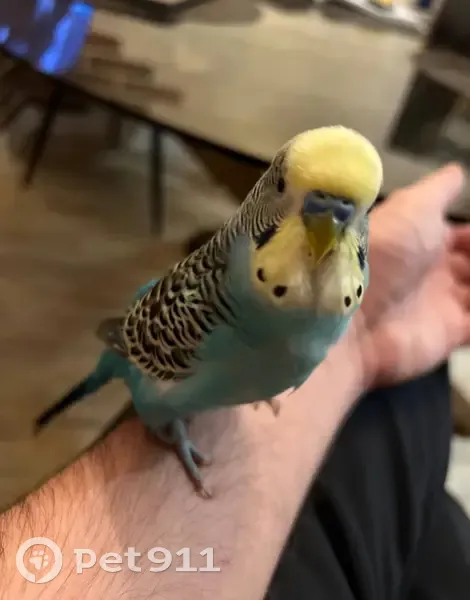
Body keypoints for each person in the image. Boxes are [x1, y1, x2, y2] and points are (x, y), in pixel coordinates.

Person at [0, 164, 470, 599]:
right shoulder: (214, 308)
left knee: (436, 514)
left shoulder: (344, 290)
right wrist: (174, 429)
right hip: (152, 364)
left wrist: (351, 338)